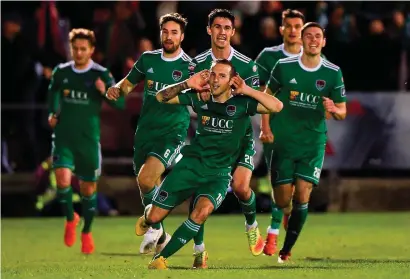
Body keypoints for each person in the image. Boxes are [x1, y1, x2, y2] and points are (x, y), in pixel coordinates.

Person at [135, 59, 283, 269]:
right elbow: (160, 97)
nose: (215, 80)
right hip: (190, 167)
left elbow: (277, 105)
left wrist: (247, 90)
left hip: (218, 174)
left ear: (232, 81)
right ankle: (149, 216)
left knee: (202, 211)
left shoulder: (242, 103)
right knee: (154, 216)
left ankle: (160, 259)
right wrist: (187, 83)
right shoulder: (199, 98)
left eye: (222, 76)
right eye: (213, 75)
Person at [105, 13, 192, 254]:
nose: (169, 36)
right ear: (160, 33)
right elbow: (128, 83)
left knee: (146, 178)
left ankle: (152, 226)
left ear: (182, 36)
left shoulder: (190, 66)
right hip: (145, 131)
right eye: (165, 31)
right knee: (147, 184)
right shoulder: (148, 59)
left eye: (174, 32)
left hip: (173, 132)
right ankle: (161, 233)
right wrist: (116, 89)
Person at [265, 22, 347, 263]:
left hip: (312, 144)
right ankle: (286, 213)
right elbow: (266, 98)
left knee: (303, 194)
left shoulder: (332, 72)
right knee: (282, 200)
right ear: (301, 40)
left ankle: (286, 250)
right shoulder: (283, 66)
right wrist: (266, 127)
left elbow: (342, 111)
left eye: (318, 36)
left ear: (324, 42)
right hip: (284, 143)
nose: (313, 40)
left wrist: (335, 108)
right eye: (308, 36)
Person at [188, 9, 264, 267]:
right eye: (217, 27)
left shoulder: (247, 64)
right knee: (198, 192)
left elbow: (255, 99)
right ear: (209, 30)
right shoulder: (196, 64)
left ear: (233, 31)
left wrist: (240, 92)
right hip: (208, 137)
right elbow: (186, 99)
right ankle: (199, 250)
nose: (222, 32)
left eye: (226, 27)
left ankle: (251, 223)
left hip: (239, 137)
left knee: (242, 188)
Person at [48, 28, 125, 254]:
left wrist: (104, 92)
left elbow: (119, 105)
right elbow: (52, 94)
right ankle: (71, 219)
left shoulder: (101, 75)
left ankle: (87, 231)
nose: (79, 53)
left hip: (88, 141)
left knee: (88, 190)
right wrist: (52, 113)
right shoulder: (61, 72)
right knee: (61, 180)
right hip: (64, 138)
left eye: (83, 49)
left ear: (91, 50)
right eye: (75, 49)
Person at [255, 9, 305, 256]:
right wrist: (265, 126)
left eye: (298, 26)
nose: (294, 30)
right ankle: (274, 231)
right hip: (275, 129)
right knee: (280, 184)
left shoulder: (312, 57)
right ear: (281, 29)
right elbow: (260, 91)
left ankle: (282, 219)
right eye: (289, 26)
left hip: (303, 132)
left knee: (295, 188)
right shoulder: (268, 56)